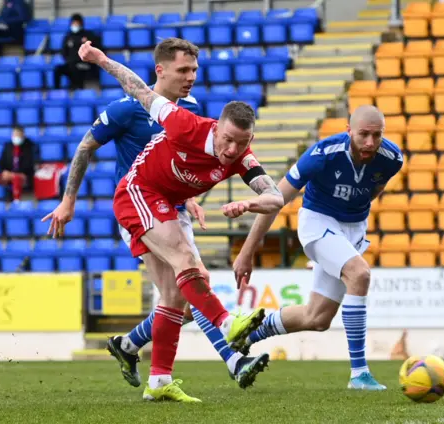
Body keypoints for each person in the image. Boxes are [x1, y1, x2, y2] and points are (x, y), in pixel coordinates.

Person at [41, 39, 277, 401]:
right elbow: (87, 145)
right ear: (160, 70)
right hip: (138, 199)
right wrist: (68, 200)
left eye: (195, 70)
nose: (191, 77)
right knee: (190, 270)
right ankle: (232, 353)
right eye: (184, 70)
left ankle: (142, 361)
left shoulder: (195, 112)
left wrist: (192, 197)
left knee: (176, 294)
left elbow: (191, 163)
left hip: (173, 203)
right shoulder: (128, 110)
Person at [232, 105, 403, 391]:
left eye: (377, 135)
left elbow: (375, 189)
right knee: (359, 275)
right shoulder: (322, 155)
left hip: (353, 229)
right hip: (318, 221)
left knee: (317, 317)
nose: (370, 143)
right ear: (349, 131)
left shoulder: (392, 159)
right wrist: (247, 252)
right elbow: (276, 200)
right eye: (363, 135)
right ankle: (359, 374)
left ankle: (249, 334)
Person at [0, 126, 36, 202]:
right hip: (7, 174)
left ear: (23, 135)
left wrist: (13, 174)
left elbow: (28, 165)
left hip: (23, 175)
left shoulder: (29, 147)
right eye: (14, 135)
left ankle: (16, 200)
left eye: (18, 135)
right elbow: (0, 162)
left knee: (16, 178)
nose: (16, 137)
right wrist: (3, 172)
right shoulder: (8, 146)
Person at [53, 13, 101, 89]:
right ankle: (56, 91)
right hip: (71, 64)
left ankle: (78, 88)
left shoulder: (89, 35)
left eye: (77, 23)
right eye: (73, 23)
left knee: (75, 68)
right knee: (58, 69)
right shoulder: (68, 37)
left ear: (81, 24)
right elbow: (64, 52)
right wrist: (69, 61)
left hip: (86, 64)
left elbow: (97, 49)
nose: (75, 25)